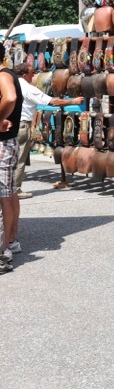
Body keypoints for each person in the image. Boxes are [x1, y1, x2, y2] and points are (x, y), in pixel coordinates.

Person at [13, 61, 83, 199]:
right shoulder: (28, 88)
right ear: (26, 75)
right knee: (20, 159)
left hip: (10, 123)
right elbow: (52, 102)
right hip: (22, 124)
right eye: (32, 73)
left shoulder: (10, 85)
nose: (34, 76)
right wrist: (73, 102)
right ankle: (15, 190)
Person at [0, 44, 24, 273]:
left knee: (4, 194)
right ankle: (11, 239)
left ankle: (5, 246)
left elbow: (10, 98)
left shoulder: (3, 75)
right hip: (8, 139)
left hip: (3, 141)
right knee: (9, 191)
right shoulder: (8, 73)